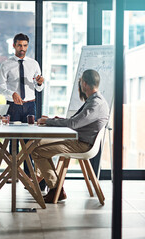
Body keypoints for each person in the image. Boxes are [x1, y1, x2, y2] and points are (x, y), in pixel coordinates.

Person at [31, 69, 109, 203]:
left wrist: (48, 121)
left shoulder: (95, 103)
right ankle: (40, 177)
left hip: (83, 144)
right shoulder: (95, 100)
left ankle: (56, 189)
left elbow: (73, 123)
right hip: (80, 140)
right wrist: (54, 119)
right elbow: (77, 120)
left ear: (84, 84)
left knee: (37, 152)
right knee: (38, 143)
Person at [0, 33, 45, 181]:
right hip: (13, 106)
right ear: (14, 46)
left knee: (29, 141)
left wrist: (40, 83)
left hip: (30, 106)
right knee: (13, 140)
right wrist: (12, 94)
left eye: (25, 46)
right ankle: (14, 173)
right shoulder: (6, 64)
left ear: (27, 46)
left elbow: (39, 89)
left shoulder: (34, 64)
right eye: (19, 45)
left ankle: (29, 175)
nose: (22, 49)